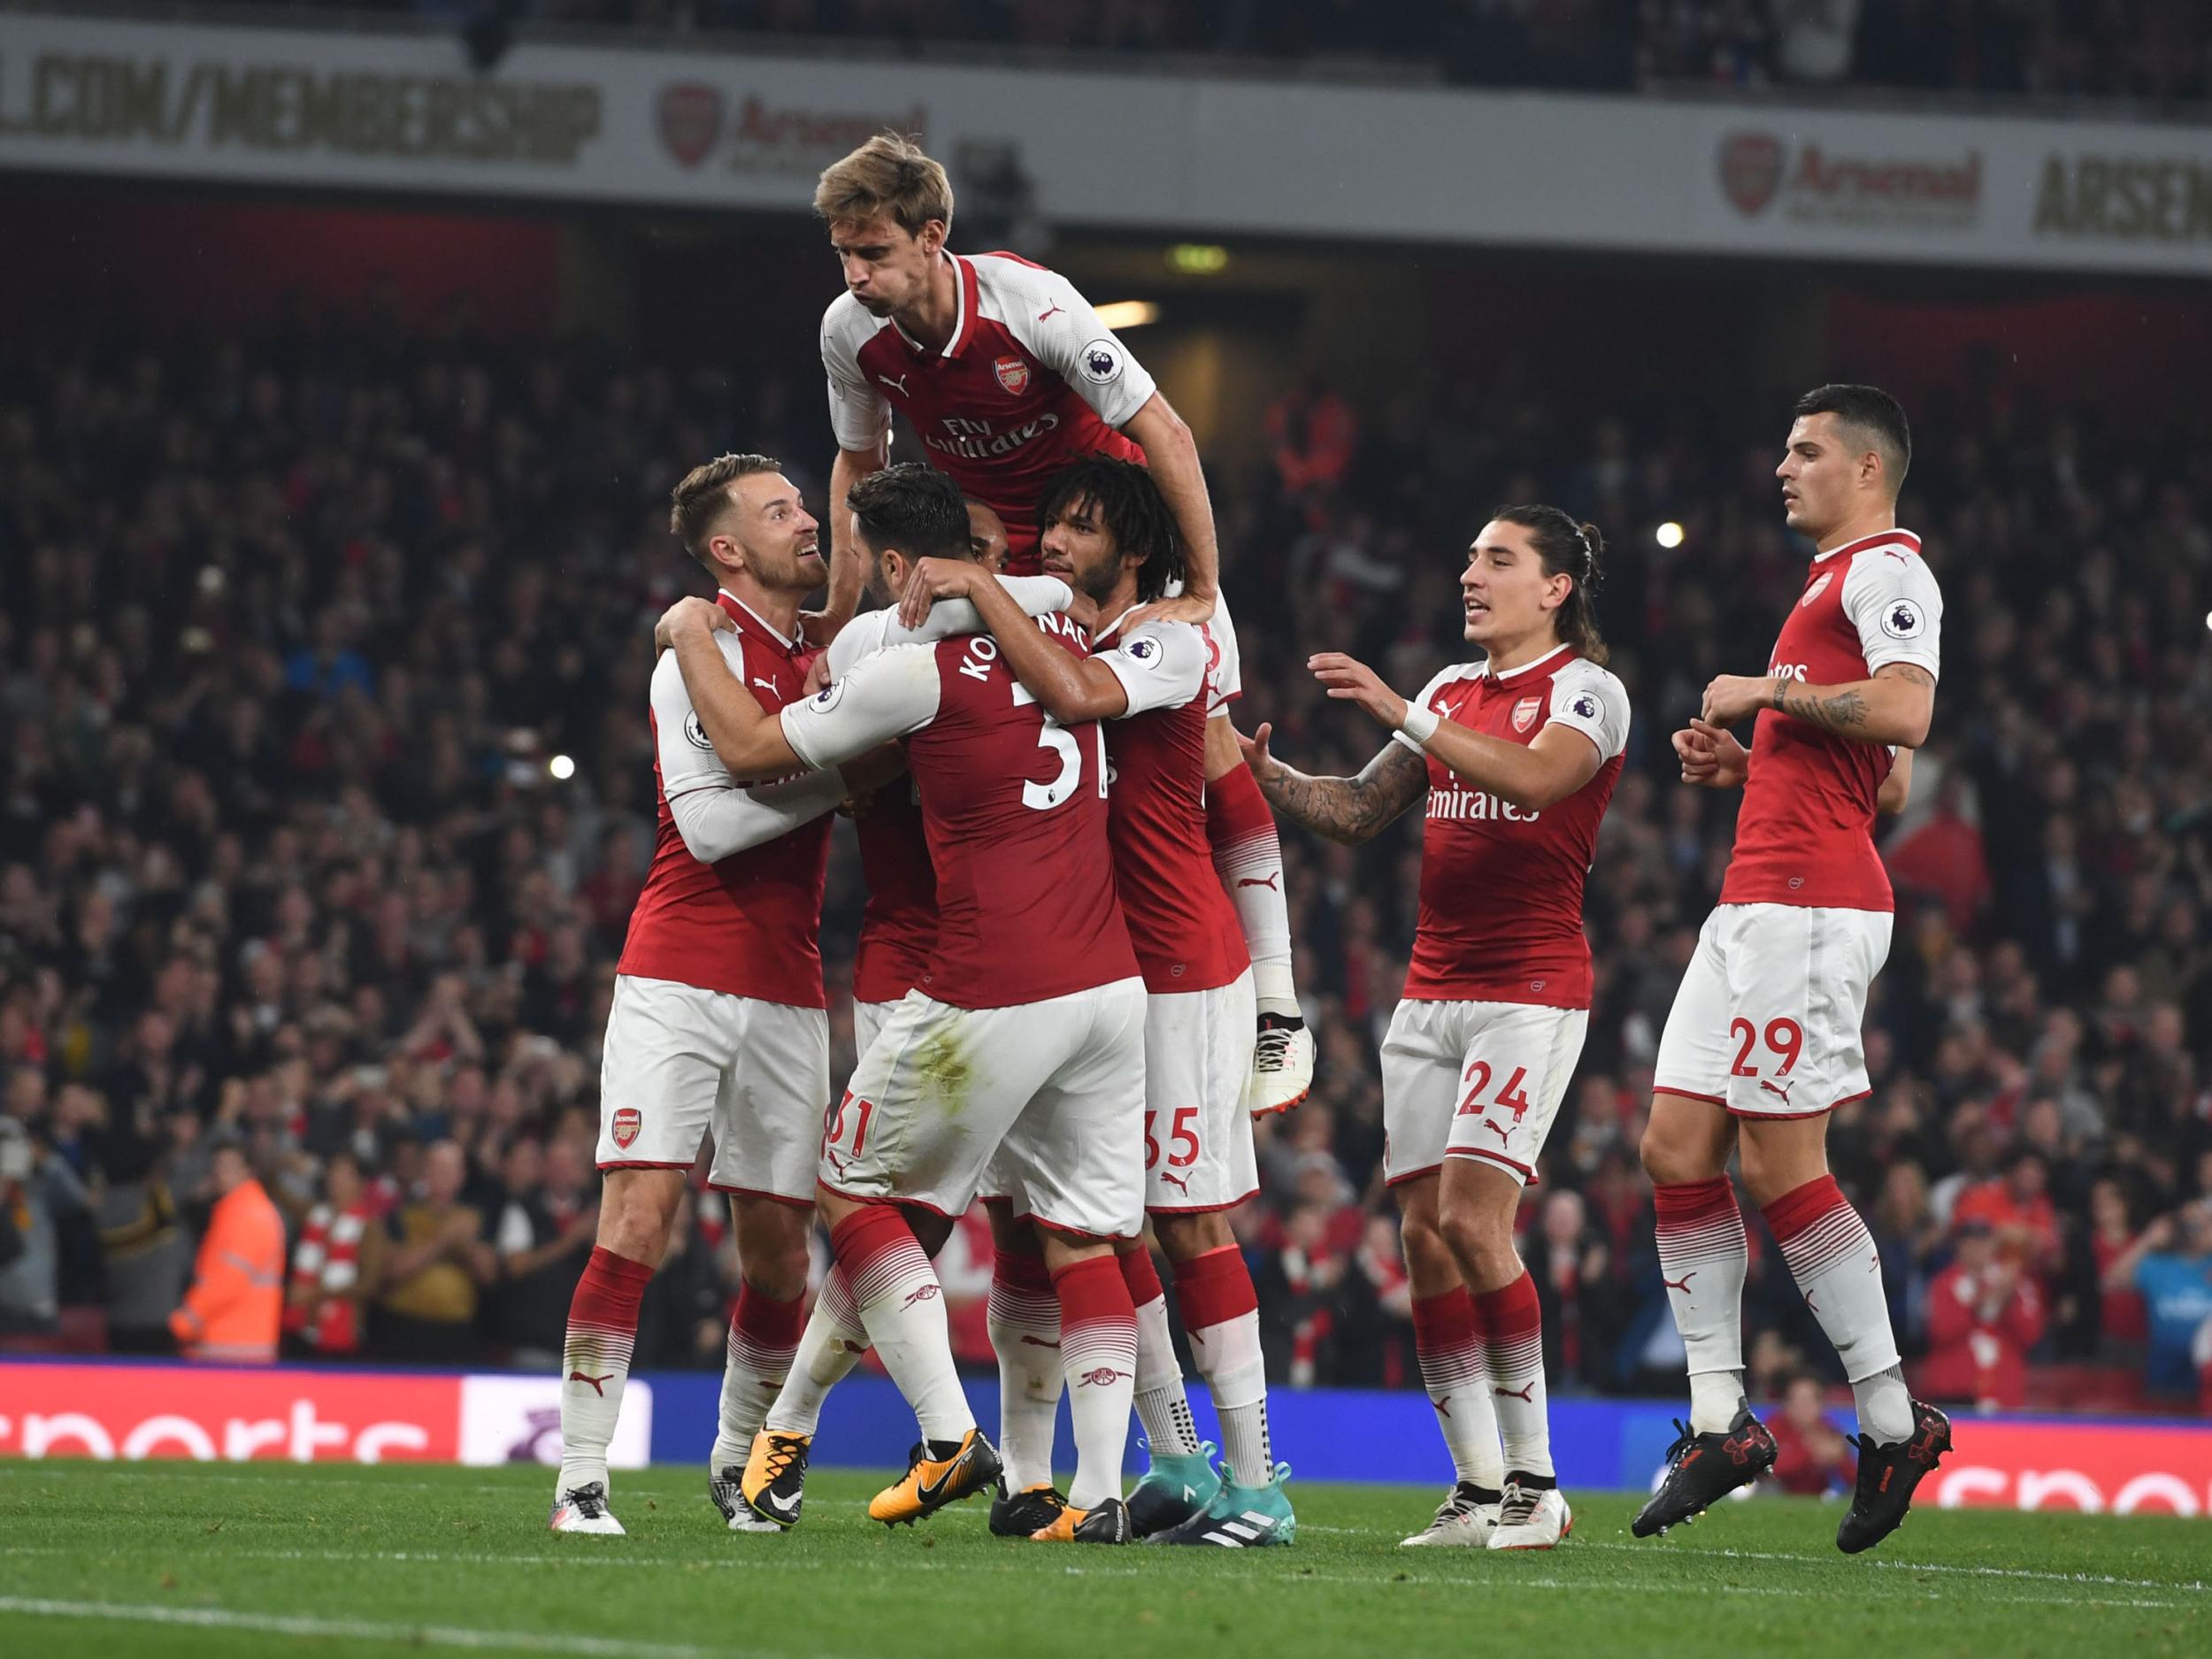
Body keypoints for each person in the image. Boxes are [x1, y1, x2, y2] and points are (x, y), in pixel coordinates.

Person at [662, 463, 1148, 1544]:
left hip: (979, 981)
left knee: (855, 1195)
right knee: (1072, 1236)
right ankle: (1095, 1492)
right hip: (1108, 987)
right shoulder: (1066, 630)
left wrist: (691, 637)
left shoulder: (896, 656)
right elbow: (1048, 595)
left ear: (894, 567)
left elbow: (745, 752)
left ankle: (940, 1435)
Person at [810, 133, 1313, 1116]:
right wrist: (847, 596)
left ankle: (1280, 1007)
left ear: (932, 237)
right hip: (994, 560)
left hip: (1102, 536)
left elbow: (1160, 427)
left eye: (872, 252)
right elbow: (858, 468)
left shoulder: (1028, 302)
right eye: (843, 255)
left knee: (1194, 745)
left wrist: (1198, 585)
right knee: (954, 732)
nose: (856, 274)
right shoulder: (847, 332)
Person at [900, 456, 1293, 1546]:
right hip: (1099, 970)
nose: (1055, 543)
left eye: (1083, 526)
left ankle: (1260, 1485)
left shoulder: (1176, 639)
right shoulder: (1057, 639)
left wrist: (1279, 998)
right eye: (1051, 525)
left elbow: (1229, 801)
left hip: (1181, 965)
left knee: (1188, 1220)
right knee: (1099, 1222)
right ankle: (1174, 1458)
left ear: (1138, 550)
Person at [1241, 505, 1629, 1551]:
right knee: (1418, 1236)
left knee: (1471, 1220)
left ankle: (1537, 1485)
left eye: (1497, 561)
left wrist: (1394, 708)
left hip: (1529, 993)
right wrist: (1258, 775)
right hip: (1429, 995)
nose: (1471, 575)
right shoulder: (1453, 693)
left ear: (1554, 589)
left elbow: (1539, 781)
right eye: (1466, 558)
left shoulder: (1586, 693)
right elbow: (1359, 812)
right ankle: (1473, 1487)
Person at [1638, 383, 1951, 1555]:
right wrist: (1753, 759)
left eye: (1807, 450)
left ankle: (1889, 1418)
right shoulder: (1823, 586)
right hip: (1758, 895)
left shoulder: (1889, 574)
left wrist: (1769, 693)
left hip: (1813, 904)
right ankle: (1722, 1419)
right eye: (1783, 448)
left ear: (1869, 469)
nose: (1785, 466)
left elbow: (1909, 721)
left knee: (1781, 1163)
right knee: (1673, 1144)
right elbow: (1881, 771)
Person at [549, 454, 879, 1537]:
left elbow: (866, 538)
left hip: (789, 988)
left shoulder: (826, 656)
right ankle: (582, 1479)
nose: (804, 525)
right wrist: (844, 780)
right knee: (638, 1221)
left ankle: (741, 1467)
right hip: (676, 972)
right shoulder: (692, 655)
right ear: (727, 547)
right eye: (779, 512)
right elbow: (709, 828)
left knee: (779, 1255)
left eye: (801, 504)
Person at [374, 1138, 492, 1364]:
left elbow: (488, 1275)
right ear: (425, 1173)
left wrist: (465, 1245)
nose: (443, 1174)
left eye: (450, 1168)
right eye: (436, 1167)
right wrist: (444, 1241)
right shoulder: (400, 1215)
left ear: (462, 1176)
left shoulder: (476, 1218)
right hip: (404, 1329)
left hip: (457, 1334)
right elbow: (391, 1270)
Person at [170, 1140, 284, 1363]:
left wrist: (187, 1320)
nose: (220, 1173)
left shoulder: (246, 1214)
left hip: (232, 1344)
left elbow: (228, 1279)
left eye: (229, 1167)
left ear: (249, 1171)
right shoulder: (240, 1210)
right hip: (237, 1341)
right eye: (217, 1166)